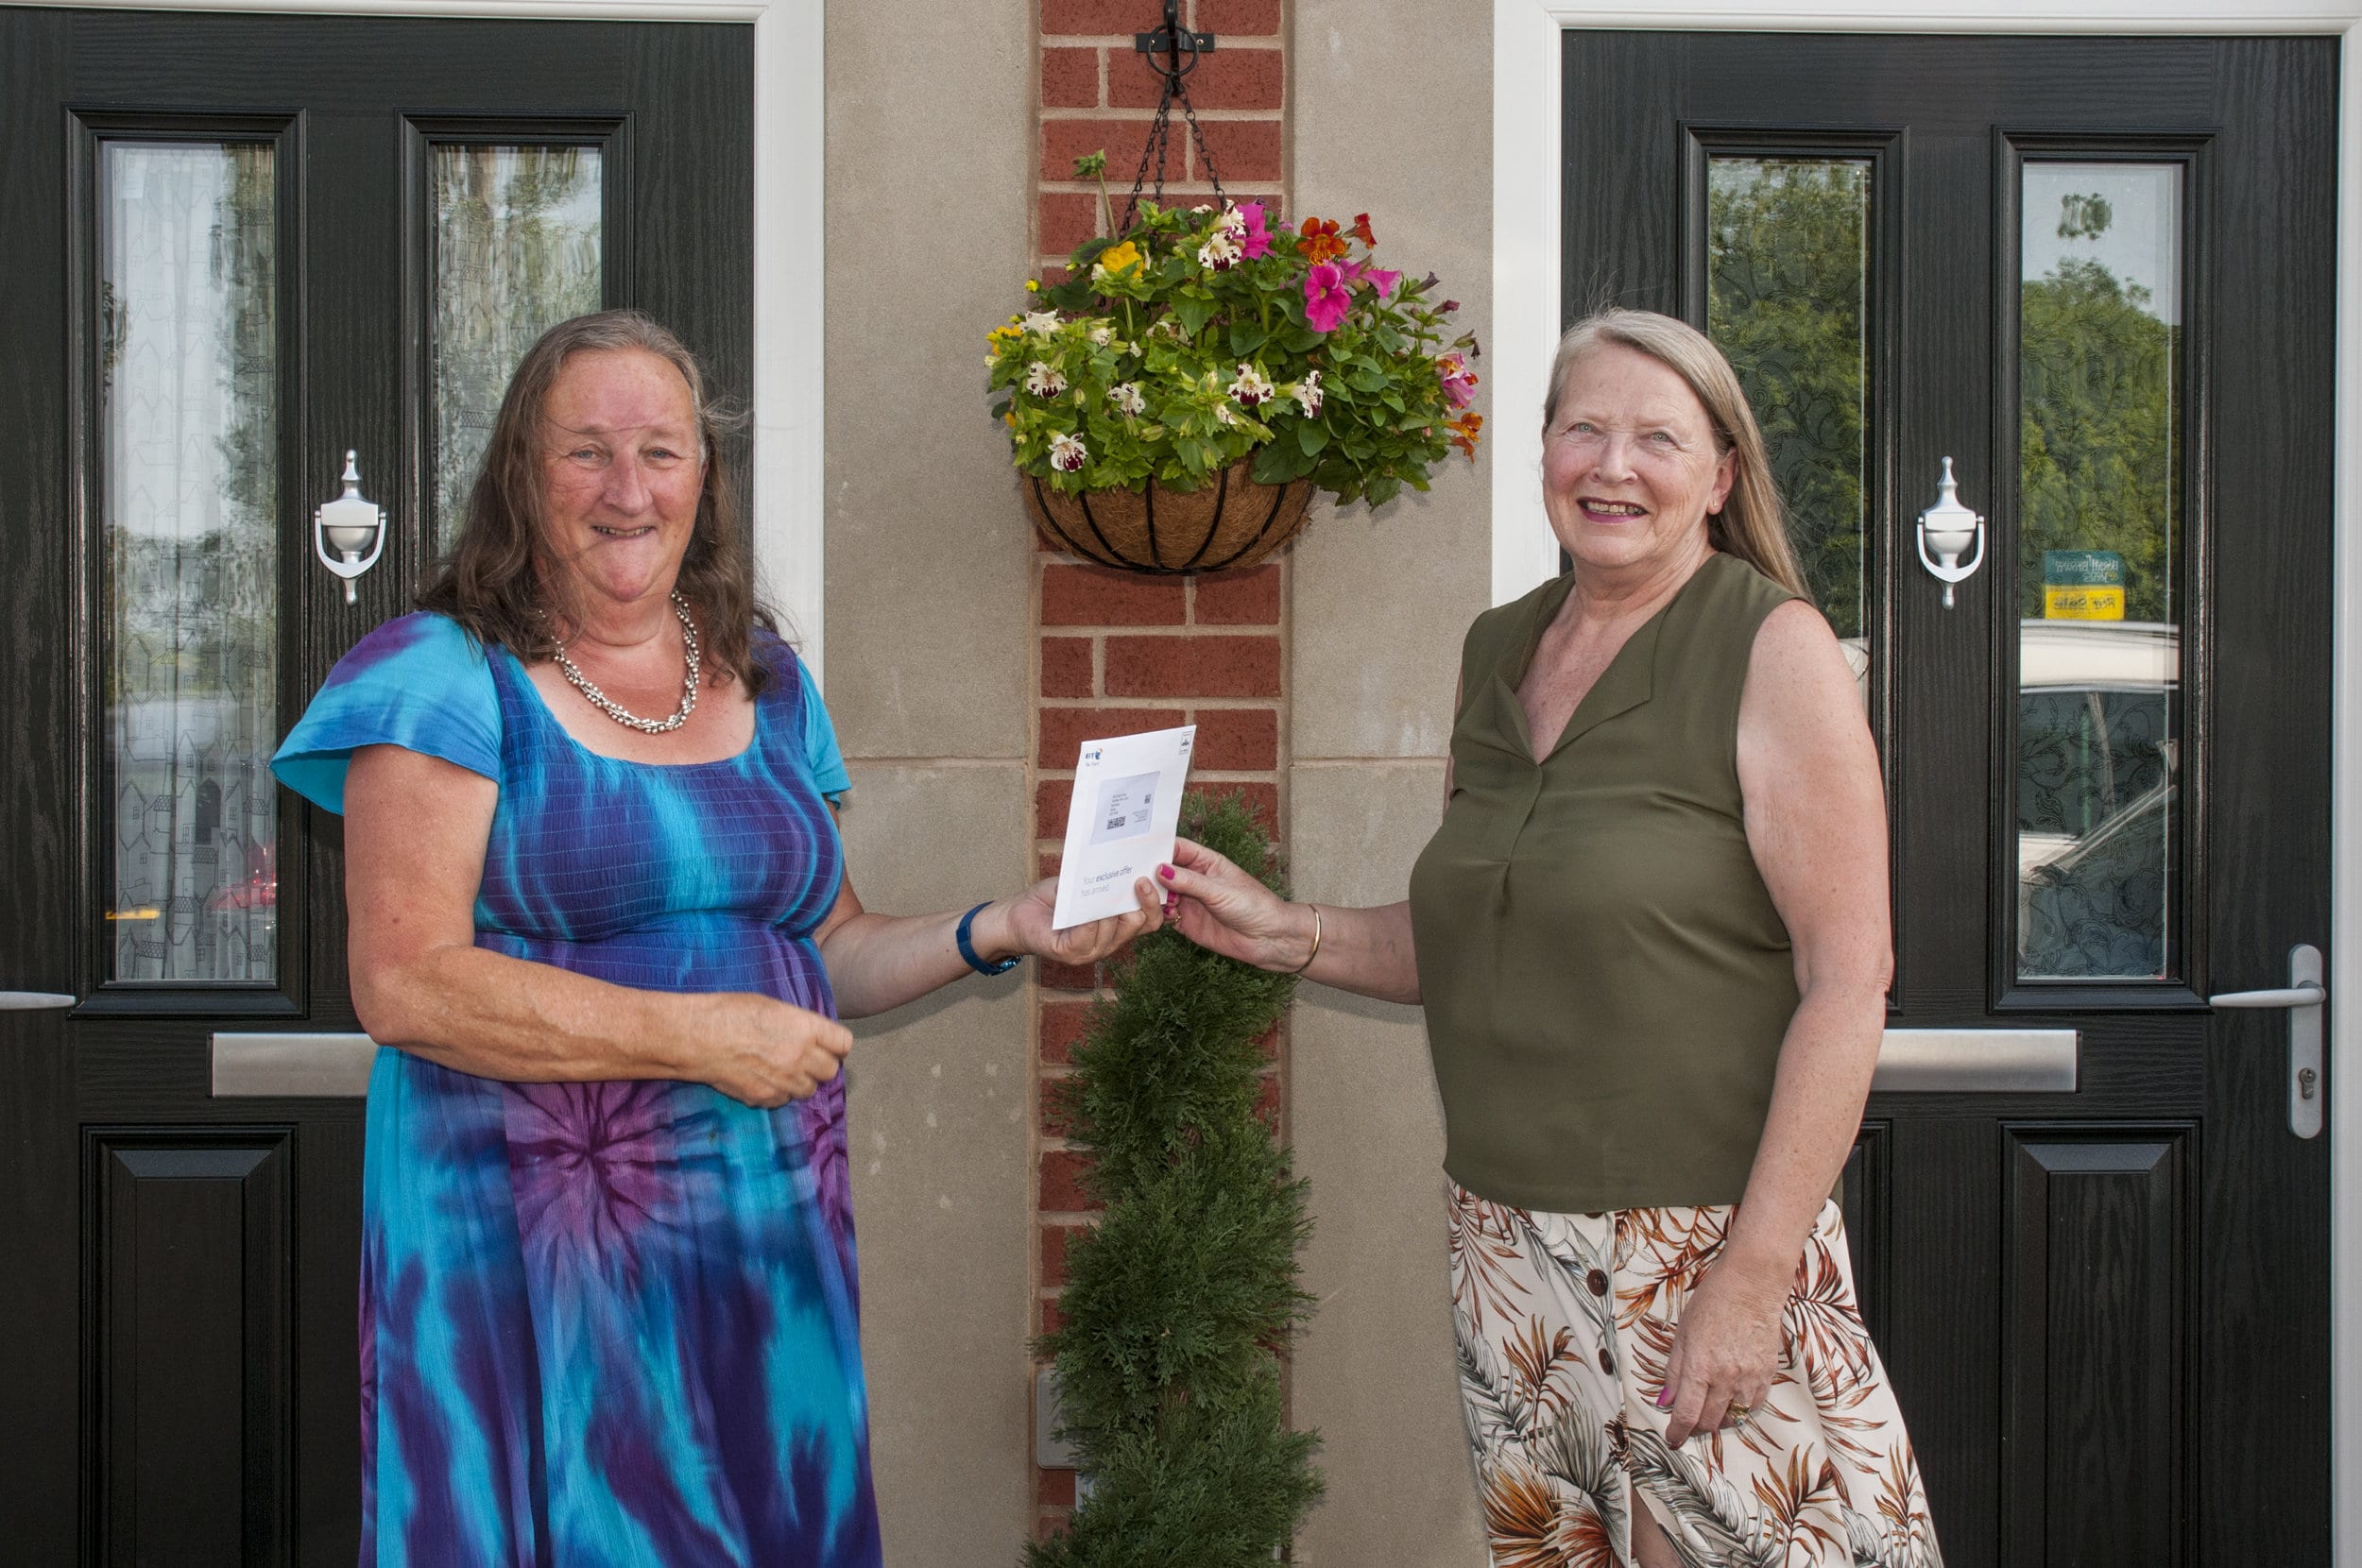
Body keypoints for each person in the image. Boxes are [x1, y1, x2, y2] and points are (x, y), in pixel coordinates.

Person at [271, 310, 1161, 1565]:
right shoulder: (441, 675)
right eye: (586, 452)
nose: (627, 489)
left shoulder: (768, 676)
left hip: (765, 1232)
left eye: (662, 451)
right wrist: (697, 1040)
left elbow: (824, 949)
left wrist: (997, 927)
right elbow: (407, 984)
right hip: (537, 1238)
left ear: (707, 476)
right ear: (524, 476)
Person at [1156, 309, 1943, 1565]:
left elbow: (1852, 982)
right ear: (1541, 456)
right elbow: (1480, 938)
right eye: (1583, 429)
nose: (1613, 466)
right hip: (1505, 1241)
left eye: (1657, 438)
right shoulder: (1498, 650)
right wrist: (1282, 931)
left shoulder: (1770, 648)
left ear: (1722, 476)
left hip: (1698, 1244)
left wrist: (1754, 1272)